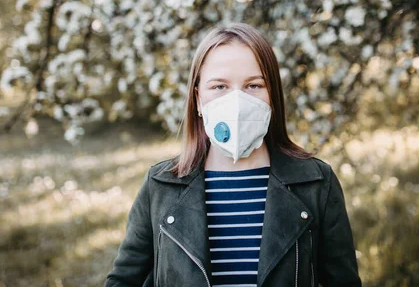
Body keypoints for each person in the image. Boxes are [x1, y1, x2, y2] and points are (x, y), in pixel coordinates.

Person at [106, 23, 362, 287]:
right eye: (219, 87)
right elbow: (123, 280)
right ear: (198, 100)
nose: (237, 103)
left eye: (253, 86)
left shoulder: (316, 183)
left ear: (272, 95)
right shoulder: (160, 186)